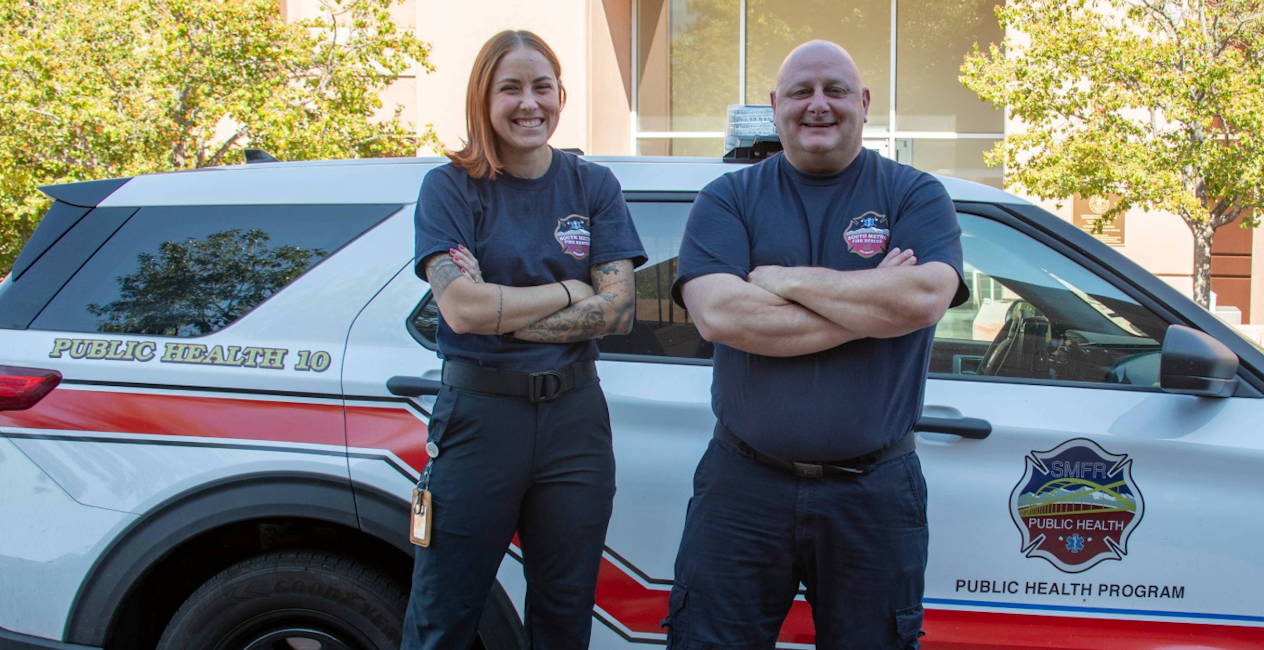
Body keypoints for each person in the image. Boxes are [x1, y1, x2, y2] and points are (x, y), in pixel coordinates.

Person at [663, 40, 967, 649]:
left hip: (875, 493)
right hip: (743, 487)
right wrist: (877, 298)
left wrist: (782, 280)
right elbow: (721, 315)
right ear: (776, 106)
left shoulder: (916, 194)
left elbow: (924, 299)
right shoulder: (728, 198)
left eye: (835, 90)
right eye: (801, 92)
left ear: (865, 102)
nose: (818, 105)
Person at [406, 29, 645, 650]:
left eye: (542, 86)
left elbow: (619, 309)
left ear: (561, 94)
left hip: (575, 420)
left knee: (565, 615)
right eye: (509, 88)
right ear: (483, 98)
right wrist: (572, 290)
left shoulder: (593, 187)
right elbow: (460, 308)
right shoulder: (451, 188)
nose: (528, 102)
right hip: (480, 419)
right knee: (444, 611)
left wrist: (501, 309)